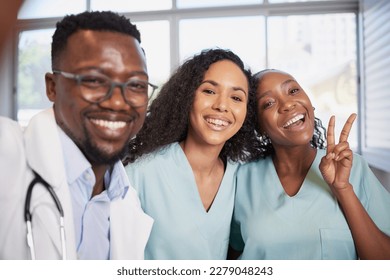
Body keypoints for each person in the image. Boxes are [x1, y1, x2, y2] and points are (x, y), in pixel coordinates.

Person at [0, 11, 155, 260]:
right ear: (52, 87)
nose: (117, 102)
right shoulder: (7, 154)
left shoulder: (126, 201)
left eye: (136, 84)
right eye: (94, 80)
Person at [230, 69, 390, 259]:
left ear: (310, 104)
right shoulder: (241, 179)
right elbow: (230, 252)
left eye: (293, 91)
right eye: (269, 103)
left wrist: (343, 189)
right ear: (259, 126)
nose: (288, 104)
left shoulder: (352, 167)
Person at [124, 48, 258, 259]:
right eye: (209, 91)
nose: (222, 106)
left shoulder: (240, 178)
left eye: (236, 97)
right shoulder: (139, 175)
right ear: (187, 96)